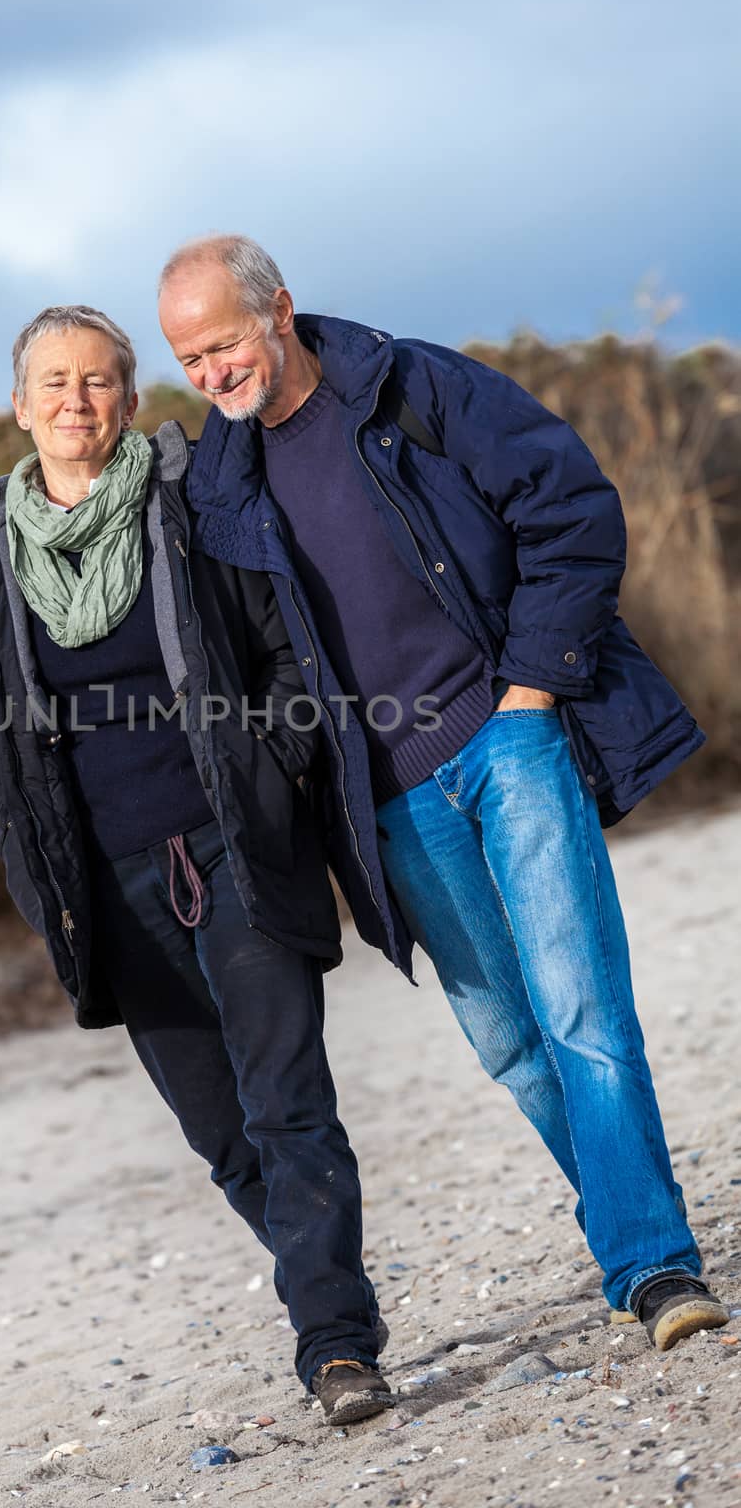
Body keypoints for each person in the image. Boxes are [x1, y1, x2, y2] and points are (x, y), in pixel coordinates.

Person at [157, 235, 730, 1352]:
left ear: (279, 308)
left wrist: (529, 687)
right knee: (511, 1041)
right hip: (388, 802)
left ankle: (653, 1263)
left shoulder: (412, 384)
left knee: (581, 1012)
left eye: (223, 343)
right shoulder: (217, 486)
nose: (212, 374)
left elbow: (568, 505)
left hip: (506, 737)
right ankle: (627, 1221)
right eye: (189, 360)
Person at [0, 304, 393, 1423]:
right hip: (107, 887)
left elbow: (281, 643)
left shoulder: (186, 506)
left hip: (234, 844)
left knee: (288, 1104)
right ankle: (325, 1293)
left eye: (98, 382)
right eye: (53, 383)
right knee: (223, 1135)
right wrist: (20, 842)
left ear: (130, 401)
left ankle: (334, 1344)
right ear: (18, 404)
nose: (76, 402)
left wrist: (274, 762)